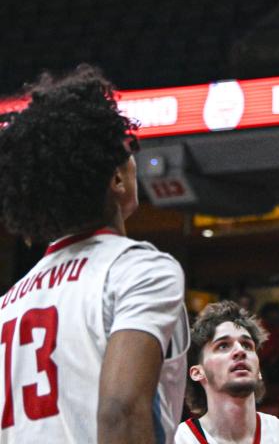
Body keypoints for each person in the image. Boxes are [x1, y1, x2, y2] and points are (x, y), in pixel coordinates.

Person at [0, 65, 189, 443]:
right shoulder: (139, 269)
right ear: (116, 178)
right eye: (129, 153)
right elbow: (120, 410)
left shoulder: (7, 305)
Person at [177, 300, 279, 443]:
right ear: (197, 373)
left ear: (258, 371)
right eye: (223, 345)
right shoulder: (176, 440)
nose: (240, 351)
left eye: (247, 345)